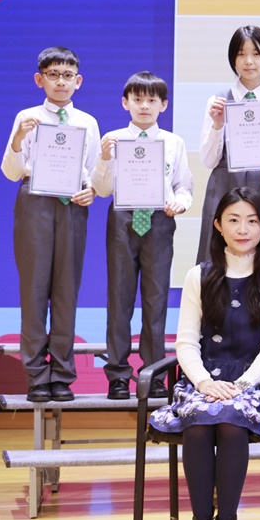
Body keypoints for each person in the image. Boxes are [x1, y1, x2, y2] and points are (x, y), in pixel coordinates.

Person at [149, 188, 260, 520]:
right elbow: (185, 342)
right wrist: (202, 382)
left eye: (252, 221)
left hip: (258, 382)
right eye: (233, 220)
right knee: (198, 425)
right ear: (217, 225)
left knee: (230, 422)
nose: (243, 229)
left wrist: (242, 385)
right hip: (205, 379)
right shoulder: (199, 275)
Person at [1, 46, 100, 403]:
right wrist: (17, 140)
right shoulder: (27, 117)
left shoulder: (87, 122)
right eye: (53, 75)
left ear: (78, 81)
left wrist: (92, 190)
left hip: (72, 206)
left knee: (66, 292)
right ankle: (36, 376)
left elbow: (94, 172)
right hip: (35, 203)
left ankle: (61, 375)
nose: (61, 81)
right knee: (34, 290)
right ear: (39, 79)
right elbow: (11, 171)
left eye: (67, 75)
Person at [92, 71, 194, 400]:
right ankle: (118, 376)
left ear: (164, 104)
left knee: (156, 300)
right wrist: (104, 158)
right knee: (119, 300)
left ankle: (154, 374)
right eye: (137, 99)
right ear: (125, 103)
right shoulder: (113, 139)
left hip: (159, 220)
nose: (144, 106)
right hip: (123, 219)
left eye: (152, 100)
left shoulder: (174, 143)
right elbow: (101, 188)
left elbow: (184, 186)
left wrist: (180, 203)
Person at [197, 25, 260, 268]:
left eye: (256, 54)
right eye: (241, 54)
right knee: (219, 261)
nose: (249, 61)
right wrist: (217, 125)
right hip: (225, 187)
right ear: (232, 58)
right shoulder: (218, 102)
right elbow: (208, 161)